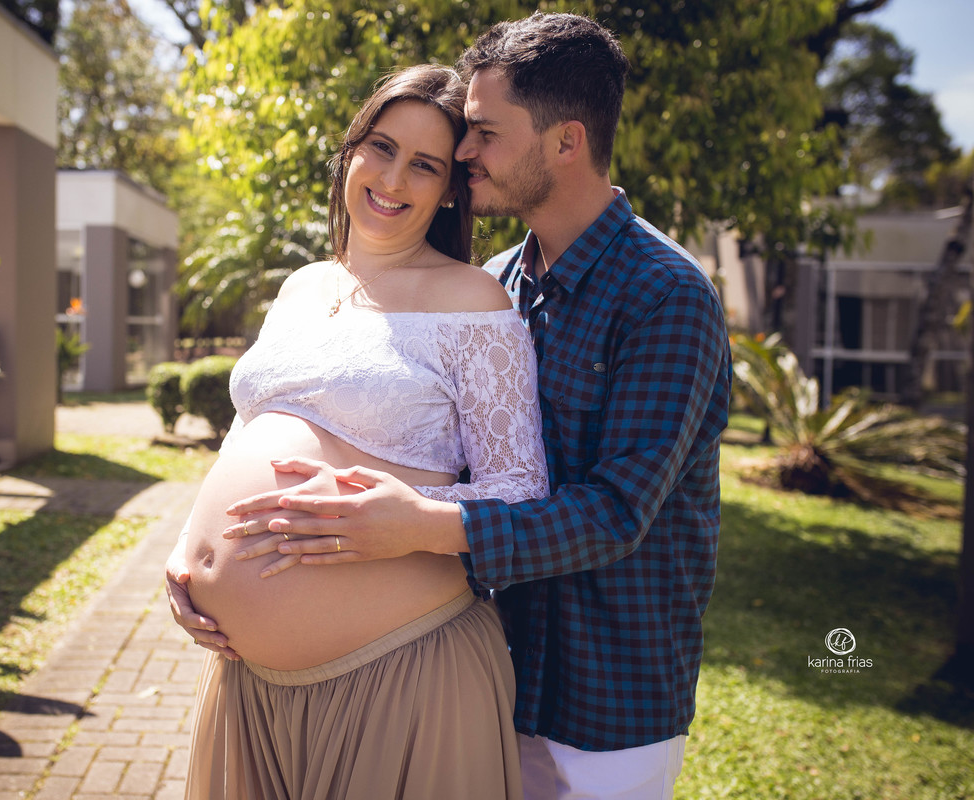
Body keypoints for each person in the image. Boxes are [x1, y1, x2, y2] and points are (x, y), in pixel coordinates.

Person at [218, 14, 732, 800]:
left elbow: (616, 512)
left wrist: (422, 523)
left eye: (485, 134)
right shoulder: (497, 281)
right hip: (483, 667)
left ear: (566, 142)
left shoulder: (665, 294)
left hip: (605, 702)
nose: (464, 153)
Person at [164, 63, 548, 800]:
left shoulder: (472, 299)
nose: (393, 179)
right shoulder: (301, 286)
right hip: (249, 688)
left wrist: (413, 519)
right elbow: (246, 430)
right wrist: (189, 552)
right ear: (350, 152)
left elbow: (523, 490)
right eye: (382, 147)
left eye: (425, 165)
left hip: (399, 678)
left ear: (450, 189)